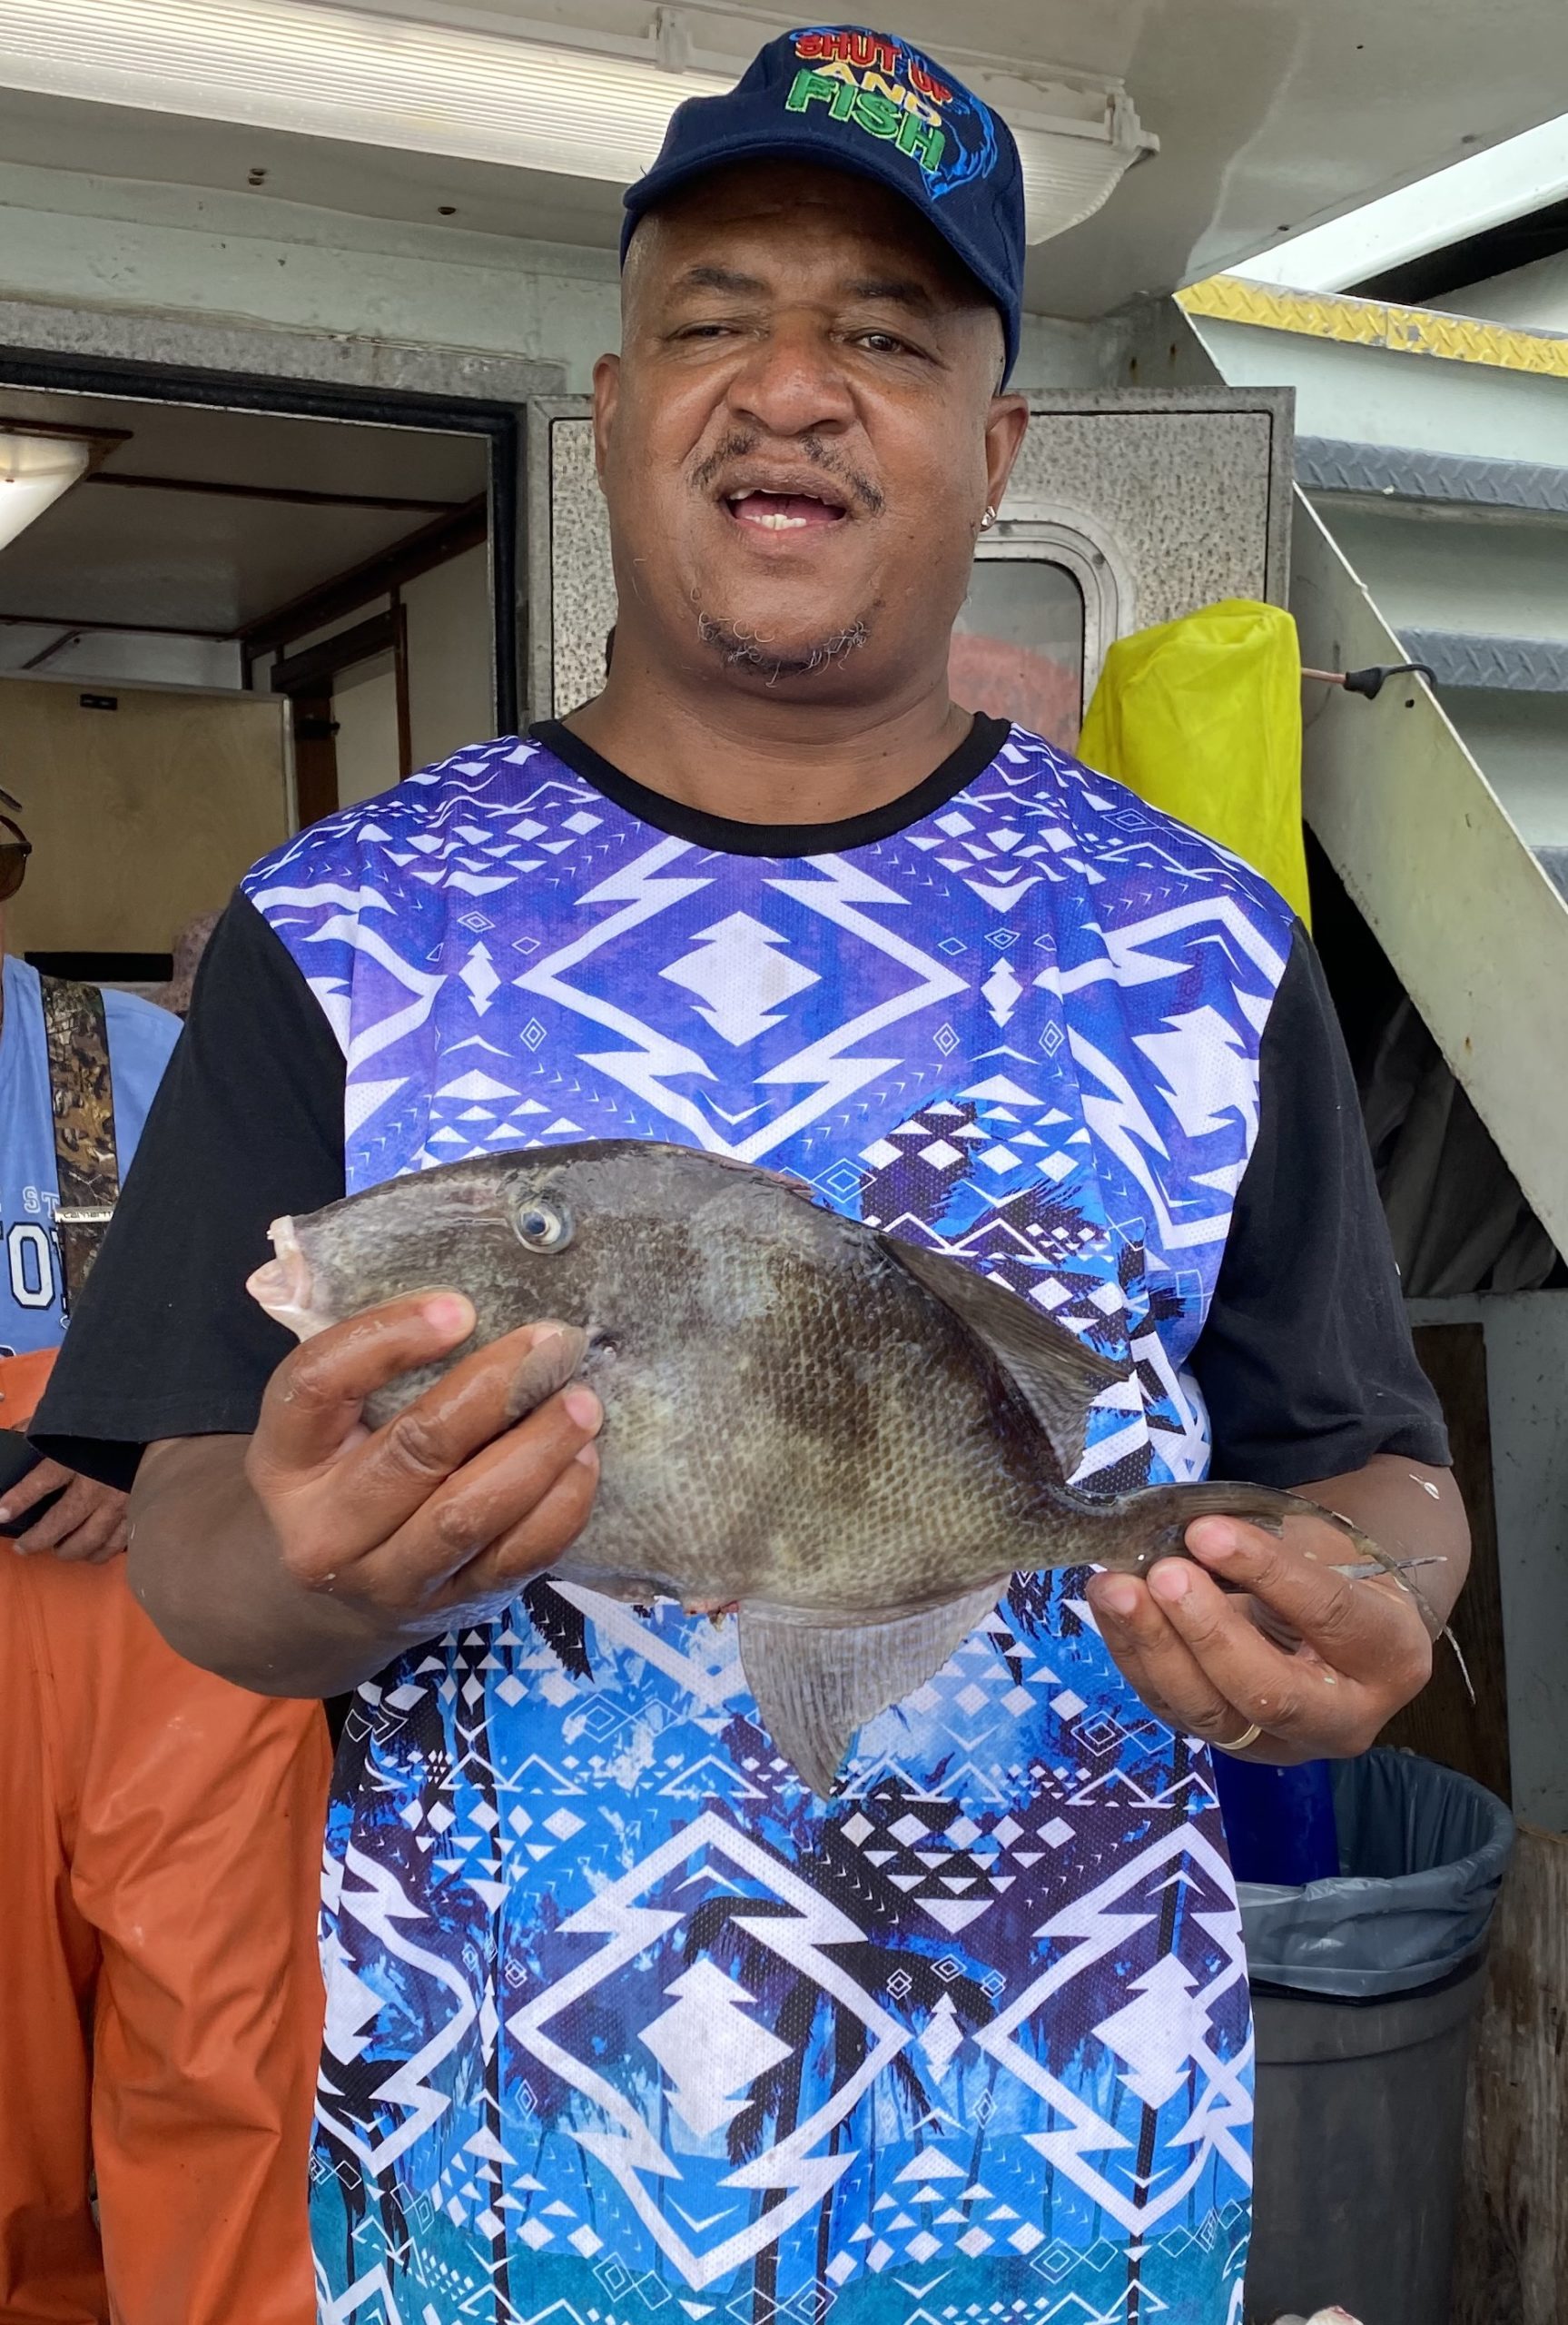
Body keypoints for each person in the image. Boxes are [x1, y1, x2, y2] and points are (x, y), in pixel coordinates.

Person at [35, 28, 1466, 2325]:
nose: (790, 386)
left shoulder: (1211, 942)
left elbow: (1367, 1463)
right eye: (718, 319)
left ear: (995, 443)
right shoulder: (339, 925)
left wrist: (1364, 1627)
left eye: (886, 335)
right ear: (609, 405)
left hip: (1082, 2194)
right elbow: (199, 1543)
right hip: (500, 2213)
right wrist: (317, 1565)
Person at [0, 801, 329, 2325]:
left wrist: (157, 1443)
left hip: (173, 1634)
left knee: (225, 2056)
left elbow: (327, 1322)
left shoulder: (150, 1062)